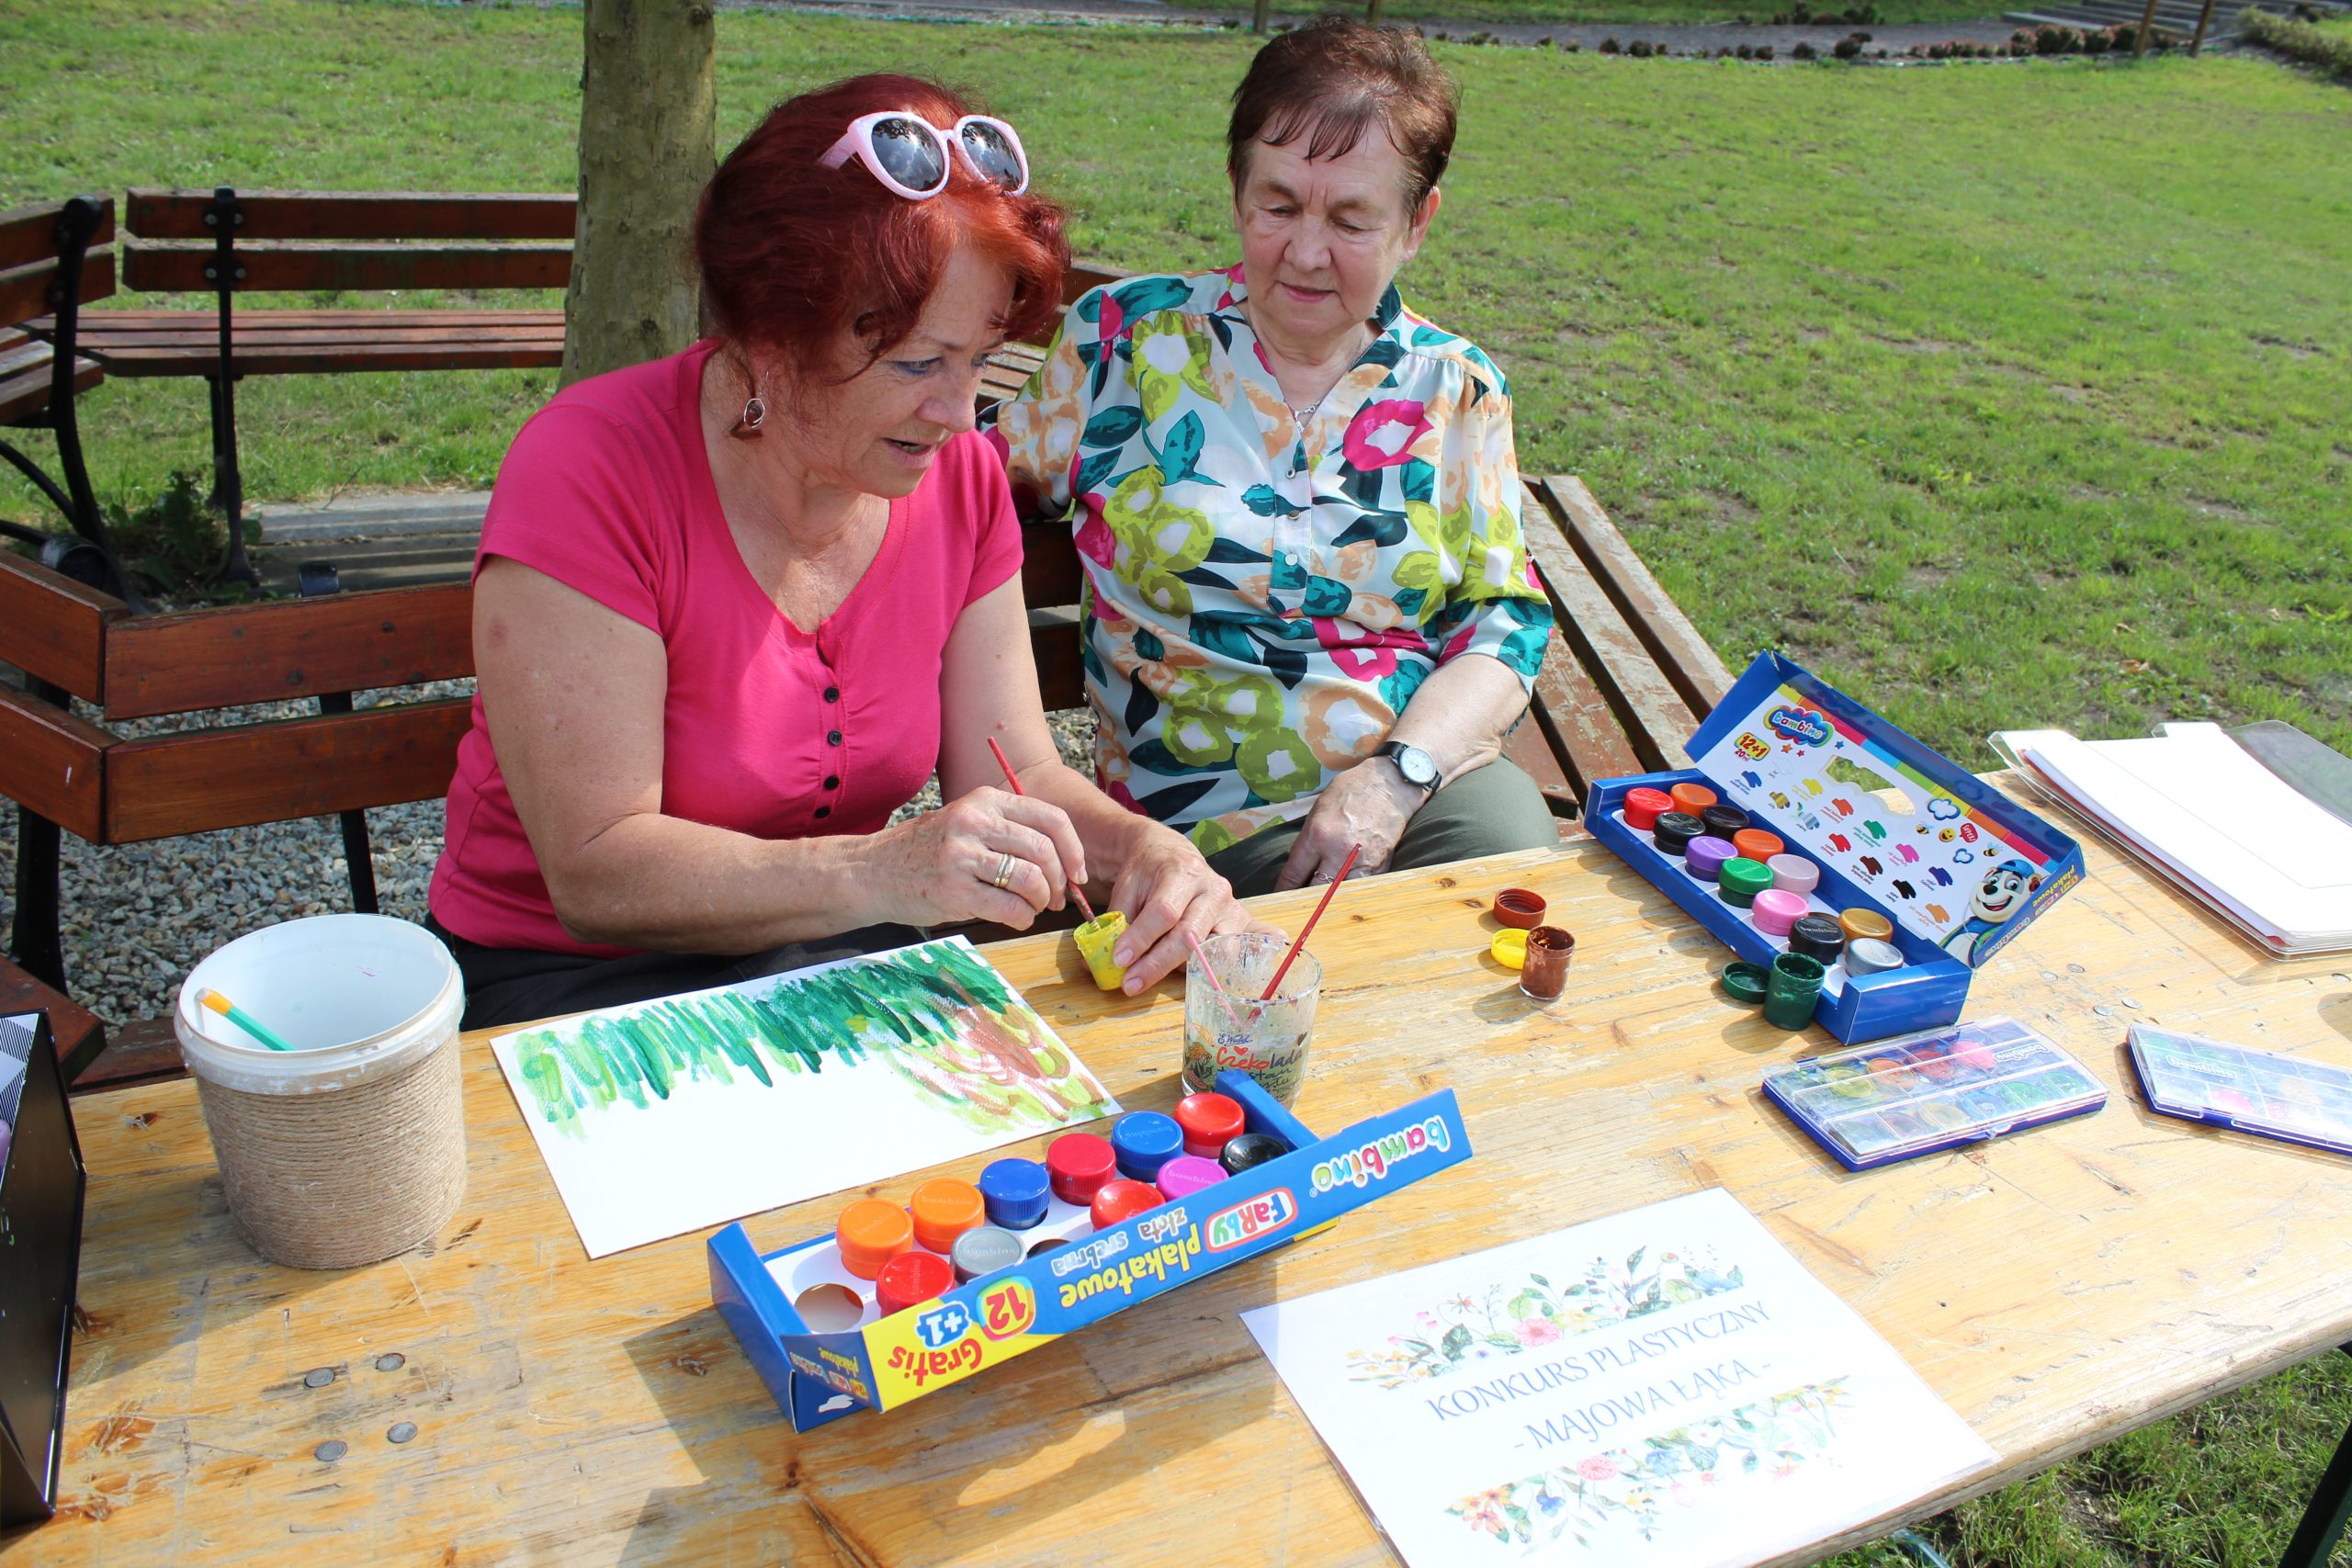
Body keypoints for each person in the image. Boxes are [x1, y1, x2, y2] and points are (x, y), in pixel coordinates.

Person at [426, 74, 1249, 1030]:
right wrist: (881, 870)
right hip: (569, 984)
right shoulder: (590, 470)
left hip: (821, 956)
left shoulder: (960, 480)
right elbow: (597, 869)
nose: (957, 412)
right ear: (771, 340)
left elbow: (1015, 768)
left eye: (979, 360)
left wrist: (1145, 852)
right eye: (914, 364)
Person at [989, 19, 1558, 900]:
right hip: (1200, 831)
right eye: (1279, 204)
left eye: (1351, 219)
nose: (1304, 252)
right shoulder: (1125, 345)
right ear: (1235, 189)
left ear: (1417, 223)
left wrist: (1398, 777)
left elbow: (1502, 623)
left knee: (1513, 910)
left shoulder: (1456, 387)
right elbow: (960, 484)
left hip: (1421, 784)